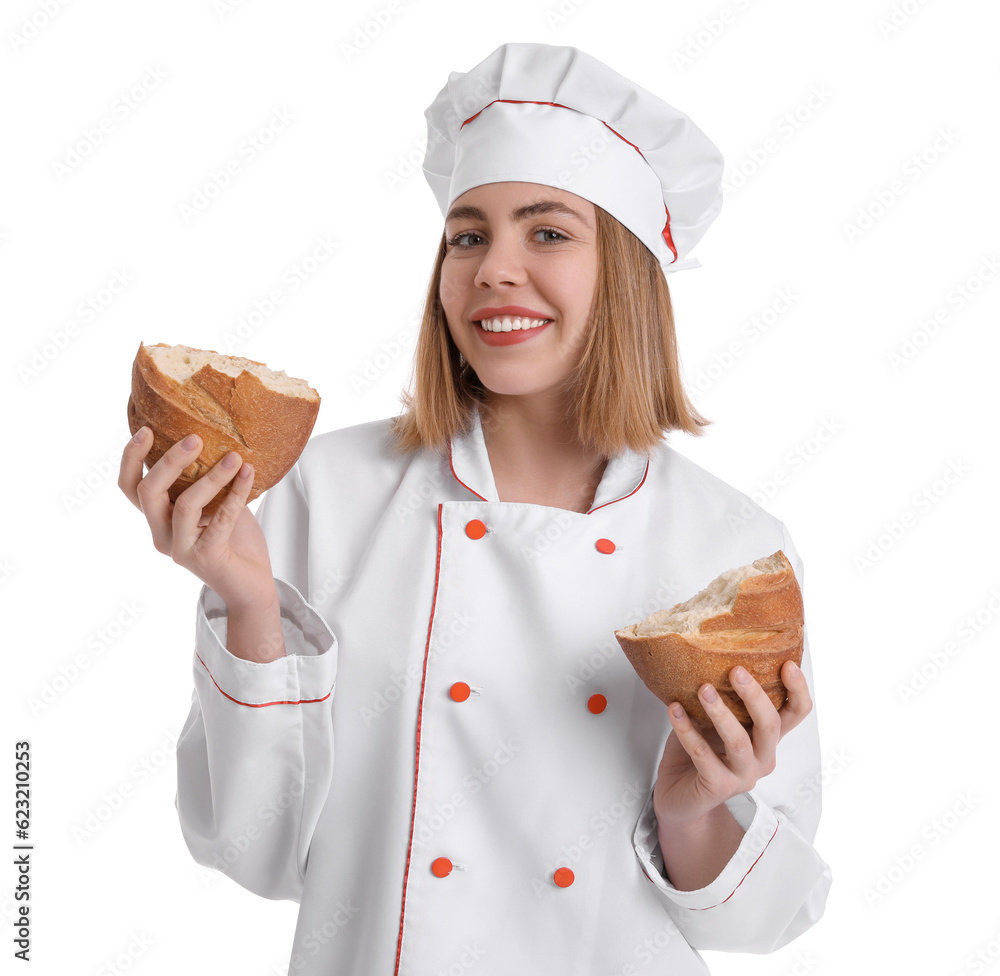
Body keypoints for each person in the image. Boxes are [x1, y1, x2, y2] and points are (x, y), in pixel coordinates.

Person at [119, 42, 831, 974]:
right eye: (467, 234)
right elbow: (250, 852)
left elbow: (757, 924)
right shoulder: (321, 495)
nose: (494, 269)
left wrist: (690, 810)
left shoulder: (732, 551)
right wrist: (250, 608)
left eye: (547, 232)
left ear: (626, 276)